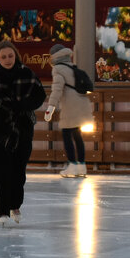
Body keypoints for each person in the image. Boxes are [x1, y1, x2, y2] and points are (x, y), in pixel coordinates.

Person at [0, 39, 47, 226]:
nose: (7, 59)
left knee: (18, 170)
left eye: (10, 56)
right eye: (3, 57)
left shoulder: (27, 74)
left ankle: (15, 204)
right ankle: (2, 211)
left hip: (22, 129)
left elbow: (40, 95)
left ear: (16, 56)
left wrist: (23, 106)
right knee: (1, 171)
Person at [44, 43, 91, 178]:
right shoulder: (72, 66)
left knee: (66, 134)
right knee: (77, 134)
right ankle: (82, 166)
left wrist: (50, 107)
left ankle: (72, 165)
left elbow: (57, 89)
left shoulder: (58, 69)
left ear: (54, 56)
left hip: (70, 106)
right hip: (82, 103)